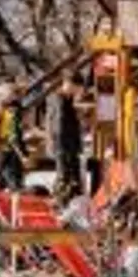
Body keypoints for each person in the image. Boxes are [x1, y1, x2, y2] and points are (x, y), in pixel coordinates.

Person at [49, 74, 86, 202]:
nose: (79, 91)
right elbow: (60, 125)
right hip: (63, 144)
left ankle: (68, 201)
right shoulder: (59, 99)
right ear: (70, 84)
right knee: (65, 175)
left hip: (67, 143)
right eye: (78, 88)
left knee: (71, 175)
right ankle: (59, 201)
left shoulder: (65, 98)